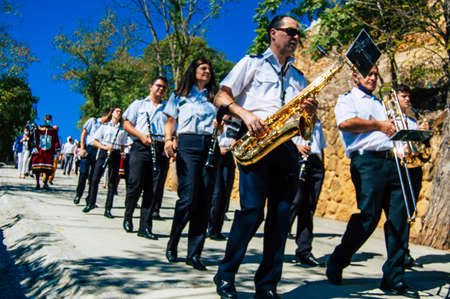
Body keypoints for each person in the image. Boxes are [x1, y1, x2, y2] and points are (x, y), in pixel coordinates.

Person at [213, 15, 317, 299]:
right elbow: (220, 96)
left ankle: (267, 285)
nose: (295, 37)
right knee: (251, 213)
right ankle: (226, 274)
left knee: (281, 218)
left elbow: (309, 123)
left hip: (286, 149)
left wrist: (310, 111)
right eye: (290, 31)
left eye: (298, 33)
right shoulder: (252, 63)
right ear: (274, 33)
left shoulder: (299, 78)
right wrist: (245, 114)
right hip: (255, 144)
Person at [327, 66, 419, 298]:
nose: (372, 78)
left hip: (393, 161)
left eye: (375, 74)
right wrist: (379, 125)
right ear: (355, 76)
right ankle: (338, 260)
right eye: (367, 73)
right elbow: (346, 124)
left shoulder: (381, 102)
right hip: (367, 162)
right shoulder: (347, 99)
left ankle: (394, 277)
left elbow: (394, 129)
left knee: (399, 220)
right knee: (368, 217)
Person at [163, 58, 219, 271]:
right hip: (188, 143)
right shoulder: (179, 95)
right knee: (187, 198)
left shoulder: (215, 97)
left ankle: (194, 254)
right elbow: (170, 121)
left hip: (210, 145)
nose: (207, 71)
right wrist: (169, 140)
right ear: (194, 71)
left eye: (209, 69)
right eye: (203, 68)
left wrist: (219, 125)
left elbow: (222, 127)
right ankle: (173, 242)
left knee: (205, 200)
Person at [122, 76, 169, 240]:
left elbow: (173, 130)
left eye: (164, 87)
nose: (161, 89)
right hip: (141, 147)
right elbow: (127, 124)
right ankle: (128, 217)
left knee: (153, 189)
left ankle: (145, 227)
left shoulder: (168, 109)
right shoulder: (139, 104)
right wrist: (141, 135)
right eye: (158, 86)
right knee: (135, 184)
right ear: (151, 87)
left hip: (160, 148)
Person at [395, 84, 427, 269]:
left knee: (411, 212)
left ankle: (404, 250)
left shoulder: (411, 120)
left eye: (408, 96)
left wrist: (423, 134)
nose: (407, 99)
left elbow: (418, 147)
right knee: (401, 212)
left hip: (414, 167)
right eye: (403, 96)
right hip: (401, 166)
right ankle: (400, 251)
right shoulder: (393, 120)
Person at [288, 120, 326, 267]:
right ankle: (275, 247)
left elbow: (320, 146)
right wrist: (296, 147)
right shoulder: (294, 119)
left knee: (308, 209)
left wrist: (321, 166)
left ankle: (304, 251)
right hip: (298, 158)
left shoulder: (317, 123)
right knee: (293, 203)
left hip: (315, 163)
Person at [82, 107, 126, 218]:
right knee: (95, 179)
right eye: (117, 111)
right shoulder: (104, 127)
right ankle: (91, 202)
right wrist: (105, 147)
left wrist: (121, 151)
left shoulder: (122, 130)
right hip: (103, 152)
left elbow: (124, 144)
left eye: (120, 112)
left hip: (115, 154)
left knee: (112, 183)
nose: (119, 113)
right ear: (112, 114)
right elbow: (94, 141)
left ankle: (108, 209)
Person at [207, 118, 238, 241]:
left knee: (225, 193)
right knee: (217, 193)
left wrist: (233, 144)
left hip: (228, 156)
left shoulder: (233, 125)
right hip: (215, 155)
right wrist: (218, 148)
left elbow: (234, 139)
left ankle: (217, 229)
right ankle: (210, 226)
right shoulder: (212, 121)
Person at [73, 109, 111, 205]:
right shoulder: (93, 121)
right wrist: (82, 148)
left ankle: (90, 199)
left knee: (94, 177)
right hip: (88, 149)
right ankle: (78, 194)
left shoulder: (108, 127)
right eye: (110, 116)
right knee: (83, 173)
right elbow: (84, 134)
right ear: (106, 115)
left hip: (99, 151)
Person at [30, 115, 61, 190]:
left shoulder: (53, 131)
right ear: (44, 120)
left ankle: (45, 183)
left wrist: (57, 150)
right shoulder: (39, 129)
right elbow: (34, 137)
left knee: (47, 169)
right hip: (40, 151)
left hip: (48, 152)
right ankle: (37, 183)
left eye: (49, 120)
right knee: (38, 168)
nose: (48, 121)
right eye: (47, 119)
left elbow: (56, 141)